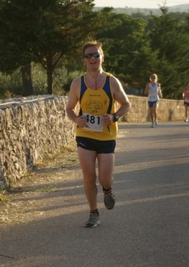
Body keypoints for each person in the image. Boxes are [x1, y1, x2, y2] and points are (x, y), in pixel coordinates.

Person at [66, 41, 131, 228]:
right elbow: (69, 109)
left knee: (104, 179)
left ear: (102, 57)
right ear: (84, 61)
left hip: (106, 137)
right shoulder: (77, 83)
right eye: (88, 56)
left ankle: (108, 190)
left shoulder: (112, 81)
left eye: (96, 55)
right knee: (88, 176)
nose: (92, 58)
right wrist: (75, 120)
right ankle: (93, 212)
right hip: (85, 135)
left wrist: (115, 116)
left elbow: (126, 104)